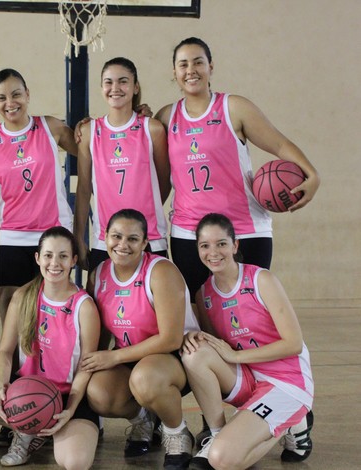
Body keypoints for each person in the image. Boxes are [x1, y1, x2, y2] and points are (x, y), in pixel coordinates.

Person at [154, 37, 320, 303]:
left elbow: (278, 143)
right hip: (189, 232)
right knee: (200, 312)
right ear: (174, 72)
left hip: (244, 228)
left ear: (211, 66)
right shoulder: (165, 117)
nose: (191, 70)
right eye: (183, 64)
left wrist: (312, 174)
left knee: (249, 308)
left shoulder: (234, 107)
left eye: (199, 62)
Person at [0, 68, 78, 446]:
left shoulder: (50, 127)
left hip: (55, 233)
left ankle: (68, 403)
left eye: (16, 94)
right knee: (14, 323)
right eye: (1, 98)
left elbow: (93, 148)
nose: (10, 103)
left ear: (28, 93)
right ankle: (19, 406)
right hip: (13, 237)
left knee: (62, 322)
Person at [0, 227, 101, 469]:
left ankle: (51, 428)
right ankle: (26, 430)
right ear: (37, 258)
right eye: (48, 255)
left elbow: (87, 365)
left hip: (68, 396)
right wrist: (3, 383)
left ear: (74, 261)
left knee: (75, 463)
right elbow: (4, 351)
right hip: (26, 390)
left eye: (63, 256)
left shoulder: (84, 306)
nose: (54, 263)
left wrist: (71, 408)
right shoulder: (24, 296)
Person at [181, 213, 314, 469]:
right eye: (205, 245)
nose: (213, 252)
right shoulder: (205, 293)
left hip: (285, 382)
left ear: (235, 245)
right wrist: (193, 336)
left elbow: (293, 343)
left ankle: (291, 423)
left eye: (221, 243)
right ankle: (217, 435)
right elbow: (216, 347)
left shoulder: (261, 279)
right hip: (248, 379)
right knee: (194, 351)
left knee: (223, 460)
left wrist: (237, 357)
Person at [82, 209, 200, 470]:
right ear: (105, 237)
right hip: (131, 358)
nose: (123, 245)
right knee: (98, 392)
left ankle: (177, 432)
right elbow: (99, 335)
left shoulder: (160, 271)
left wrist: (113, 356)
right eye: (116, 236)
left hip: (174, 359)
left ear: (145, 243)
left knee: (144, 379)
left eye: (133, 239)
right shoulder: (99, 274)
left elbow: (170, 339)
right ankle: (144, 420)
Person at [74, 57, 170, 272]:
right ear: (101, 87)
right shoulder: (89, 131)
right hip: (104, 240)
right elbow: (83, 189)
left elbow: (164, 182)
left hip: (150, 238)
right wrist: (79, 237)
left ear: (135, 87)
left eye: (123, 81)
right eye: (108, 82)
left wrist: (141, 214)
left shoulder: (152, 129)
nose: (115, 88)